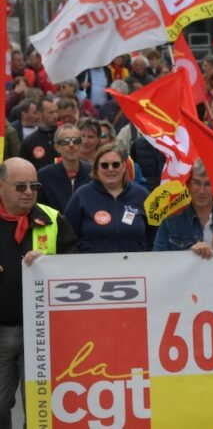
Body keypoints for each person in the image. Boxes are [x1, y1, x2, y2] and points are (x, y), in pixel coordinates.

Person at [0, 158, 78, 427]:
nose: (29, 192)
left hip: (42, 333)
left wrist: (49, 264)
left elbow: (75, 270)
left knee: (39, 405)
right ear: (1, 187)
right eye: (20, 186)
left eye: (34, 186)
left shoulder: (53, 219)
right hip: (1, 330)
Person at [64, 144, 154, 253]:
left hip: (134, 266)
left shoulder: (141, 195)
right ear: (96, 168)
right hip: (92, 267)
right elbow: (67, 236)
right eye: (104, 165)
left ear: (124, 166)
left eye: (115, 165)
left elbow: (154, 235)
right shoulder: (82, 195)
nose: (110, 169)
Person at [153, 160, 213, 258]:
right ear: (188, 185)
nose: (201, 191)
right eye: (196, 183)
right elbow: (158, 260)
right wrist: (188, 254)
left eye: (208, 184)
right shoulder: (171, 221)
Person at [37, 124, 92, 212]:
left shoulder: (93, 172)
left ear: (81, 145)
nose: (71, 145)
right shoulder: (44, 176)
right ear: (57, 147)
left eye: (76, 141)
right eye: (65, 142)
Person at [20, 98, 60, 170]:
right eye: (51, 112)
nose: (55, 116)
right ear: (40, 114)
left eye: (56, 112)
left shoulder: (64, 137)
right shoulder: (29, 142)